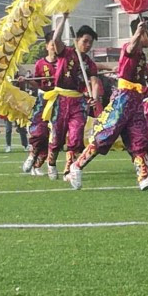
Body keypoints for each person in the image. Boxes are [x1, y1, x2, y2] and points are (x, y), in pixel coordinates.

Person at [68, 17, 148, 191]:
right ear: (142, 33)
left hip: (136, 100)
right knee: (105, 135)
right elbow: (130, 47)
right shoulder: (128, 49)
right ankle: (76, 166)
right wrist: (138, 31)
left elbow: (144, 70)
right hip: (124, 99)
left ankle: (143, 177)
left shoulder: (140, 55)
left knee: (138, 138)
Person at [44, 14, 100, 181]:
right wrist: (64, 18)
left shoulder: (89, 63)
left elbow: (95, 82)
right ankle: (51, 163)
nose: (88, 45)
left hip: (79, 102)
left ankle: (69, 169)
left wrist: (94, 97)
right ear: (77, 40)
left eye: (90, 42)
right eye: (85, 41)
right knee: (56, 138)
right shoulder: (66, 52)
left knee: (75, 137)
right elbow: (55, 39)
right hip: (61, 99)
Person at [20, 31, 57, 175]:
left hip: (60, 100)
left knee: (55, 136)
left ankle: (39, 165)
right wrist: (27, 82)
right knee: (40, 132)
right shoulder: (40, 63)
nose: (55, 47)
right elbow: (37, 83)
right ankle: (32, 154)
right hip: (44, 100)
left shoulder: (63, 62)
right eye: (52, 44)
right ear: (47, 46)